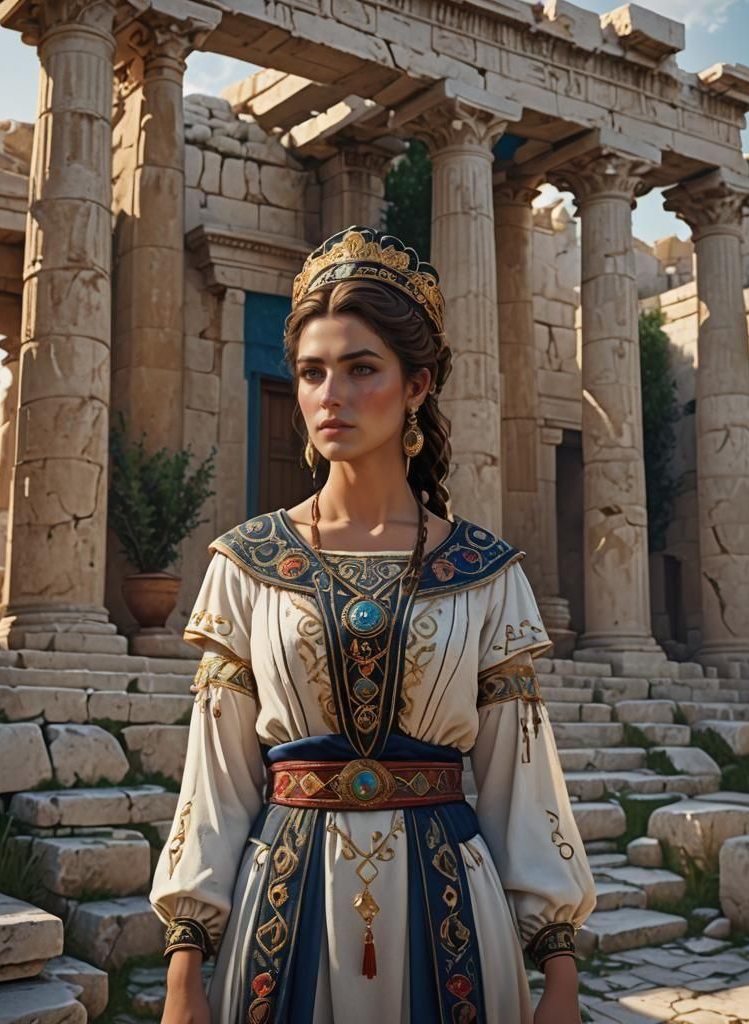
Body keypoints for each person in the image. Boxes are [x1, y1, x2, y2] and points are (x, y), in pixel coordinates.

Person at [150, 226, 596, 1024]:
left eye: (362, 370)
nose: (332, 396)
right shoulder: (248, 564)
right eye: (314, 372)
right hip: (284, 914)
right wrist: (186, 962)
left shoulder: (485, 573)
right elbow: (214, 778)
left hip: (452, 913)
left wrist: (557, 966)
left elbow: (518, 778)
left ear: (417, 384)